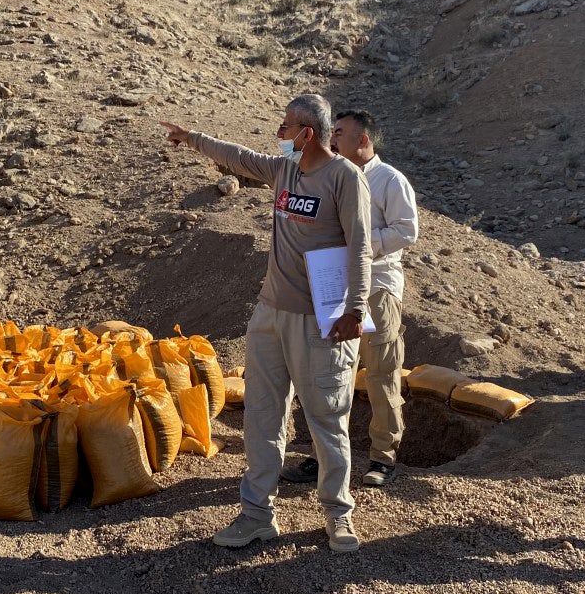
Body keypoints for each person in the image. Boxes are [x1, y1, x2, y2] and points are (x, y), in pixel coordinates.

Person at [161, 93, 372, 553]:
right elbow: (239, 157)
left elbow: (360, 248)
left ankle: (338, 515)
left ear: (306, 134)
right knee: (262, 417)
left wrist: (354, 310)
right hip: (270, 315)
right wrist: (193, 138)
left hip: (321, 321)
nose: (279, 134)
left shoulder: (345, 179)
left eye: (285, 127)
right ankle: (257, 514)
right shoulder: (284, 171)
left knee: (327, 419)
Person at [281, 110, 418, 487]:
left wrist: (358, 248)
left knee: (381, 373)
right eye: (331, 132)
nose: (333, 139)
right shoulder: (331, 176)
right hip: (334, 290)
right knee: (330, 374)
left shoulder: (390, 180)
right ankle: (321, 456)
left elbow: (407, 231)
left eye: (339, 133)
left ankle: (383, 457)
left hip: (377, 288)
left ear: (363, 140)